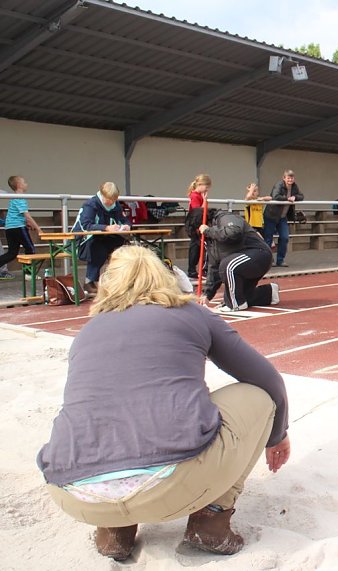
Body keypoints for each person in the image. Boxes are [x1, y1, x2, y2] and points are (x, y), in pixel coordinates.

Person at [36, 245, 290, 561]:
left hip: (72, 493)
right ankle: (211, 519)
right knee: (257, 396)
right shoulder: (192, 314)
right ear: (163, 277)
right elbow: (269, 381)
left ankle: (114, 529)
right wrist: (277, 436)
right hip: (170, 485)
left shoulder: (86, 333)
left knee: (104, 411)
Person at [196, 209, 280, 312]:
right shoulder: (211, 241)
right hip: (242, 262)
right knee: (241, 295)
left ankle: (235, 304)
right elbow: (213, 267)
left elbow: (234, 231)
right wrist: (207, 295)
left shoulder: (224, 217)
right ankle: (269, 293)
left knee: (227, 265)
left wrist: (208, 231)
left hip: (259, 254)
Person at [71, 181, 130, 293]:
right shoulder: (90, 205)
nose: (112, 202)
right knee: (99, 247)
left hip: (102, 236)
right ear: (103, 195)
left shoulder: (115, 205)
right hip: (81, 240)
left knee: (122, 245)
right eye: (109, 199)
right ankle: (89, 281)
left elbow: (123, 220)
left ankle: (118, 279)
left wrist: (127, 225)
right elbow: (86, 225)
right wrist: (106, 227)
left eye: (114, 199)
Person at [0, 176, 42, 278]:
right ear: (19, 185)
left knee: (12, 252)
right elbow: (27, 216)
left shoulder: (14, 198)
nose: (26, 184)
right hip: (18, 227)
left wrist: (27, 223)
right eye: (24, 182)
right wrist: (38, 229)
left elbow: (16, 215)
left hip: (10, 228)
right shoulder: (19, 198)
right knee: (30, 249)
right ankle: (28, 274)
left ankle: (28, 273)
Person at [263, 169, 304, 267]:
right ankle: (268, 261)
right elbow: (275, 196)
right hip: (271, 215)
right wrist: (288, 198)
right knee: (268, 239)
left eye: (292, 178)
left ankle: (280, 260)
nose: (290, 180)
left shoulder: (294, 186)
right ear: (284, 178)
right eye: (288, 178)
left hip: (282, 217)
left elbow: (301, 196)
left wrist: (295, 197)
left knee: (285, 237)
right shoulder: (279, 185)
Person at [185, 174, 211, 280]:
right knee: (198, 247)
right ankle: (196, 270)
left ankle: (195, 270)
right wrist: (205, 201)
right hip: (195, 225)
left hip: (198, 224)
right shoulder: (195, 196)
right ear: (200, 184)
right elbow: (198, 212)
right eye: (206, 186)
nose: (207, 189)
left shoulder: (198, 195)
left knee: (198, 247)